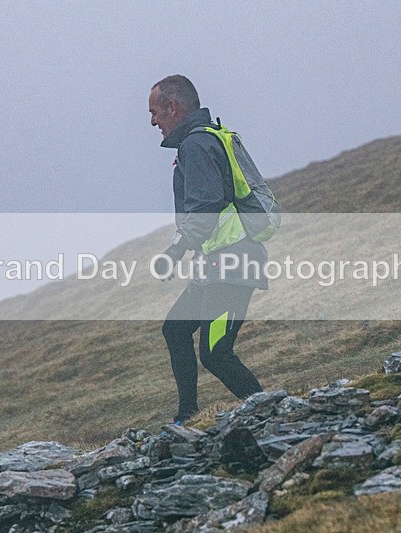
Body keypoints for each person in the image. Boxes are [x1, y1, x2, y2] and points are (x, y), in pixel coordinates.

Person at [148, 74, 267, 424]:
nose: (153, 121)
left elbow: (205, 208)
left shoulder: (196, 145)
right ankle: (187, 414)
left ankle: (270, 409)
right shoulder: (204, 139)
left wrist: (173, 252)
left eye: (155, 112)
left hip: (232, 263)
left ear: (173, 107)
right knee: (176, 329)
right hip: (218, 264)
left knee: (216, 353)